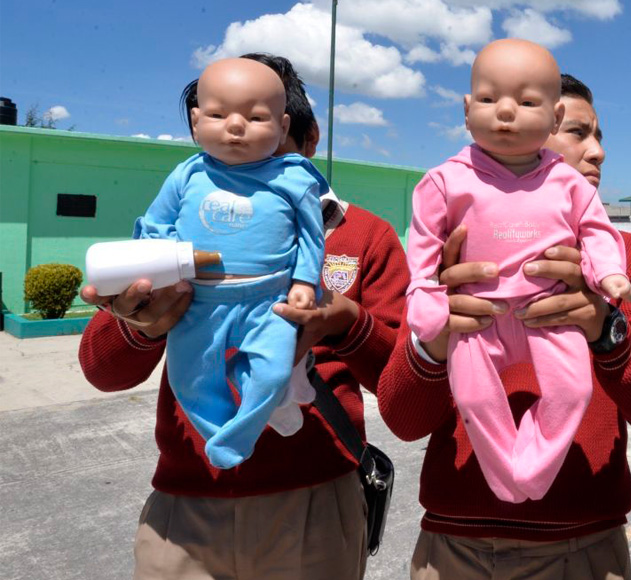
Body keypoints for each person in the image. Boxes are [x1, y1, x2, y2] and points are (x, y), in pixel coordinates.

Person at [78, 53, 408, 579]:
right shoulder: (185, 220)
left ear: (305, 137)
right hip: (187, 506)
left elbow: (402, 387)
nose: (239, 155)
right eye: (218, 122)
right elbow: (102, 371)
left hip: (316, 504)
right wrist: (141, 324)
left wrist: (348, 324)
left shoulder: (366, 235)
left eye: (261, 132)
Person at [378, 72, 631, 580]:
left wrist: (604, 327)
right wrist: (436, 336)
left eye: (599, 136)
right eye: (579, 133)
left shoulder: (627, 256)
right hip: (454, 545)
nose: (598, 152)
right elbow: (401, 420)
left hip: (586, 548)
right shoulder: (450, 252)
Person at [405, 39, 631, 504]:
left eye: (526, 102)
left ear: (552, 117)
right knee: (474, 398)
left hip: (549, 315)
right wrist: (426, 295)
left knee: (573, 392)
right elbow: (423, 241)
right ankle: (505, 472)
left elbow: (597, 230)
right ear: (466, 110)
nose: (506, 111)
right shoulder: (445, 179)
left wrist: (607, 277)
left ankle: (530, 469)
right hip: (477, 318)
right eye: (488, 99)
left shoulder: (567, 183)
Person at [130, 57, 327, 469]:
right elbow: (155, 224)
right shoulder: (187, 175)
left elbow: (311, 235)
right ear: (196, 122)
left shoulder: (293, 177)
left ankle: (243, 423)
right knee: (189, 378)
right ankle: (221, 435)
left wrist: (305, 281)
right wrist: (165, 264)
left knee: (272, 374)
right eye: (218, 115)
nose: (236, 126)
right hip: (198, 301)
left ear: (284, 128)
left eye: (255, 118)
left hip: (268, 301)